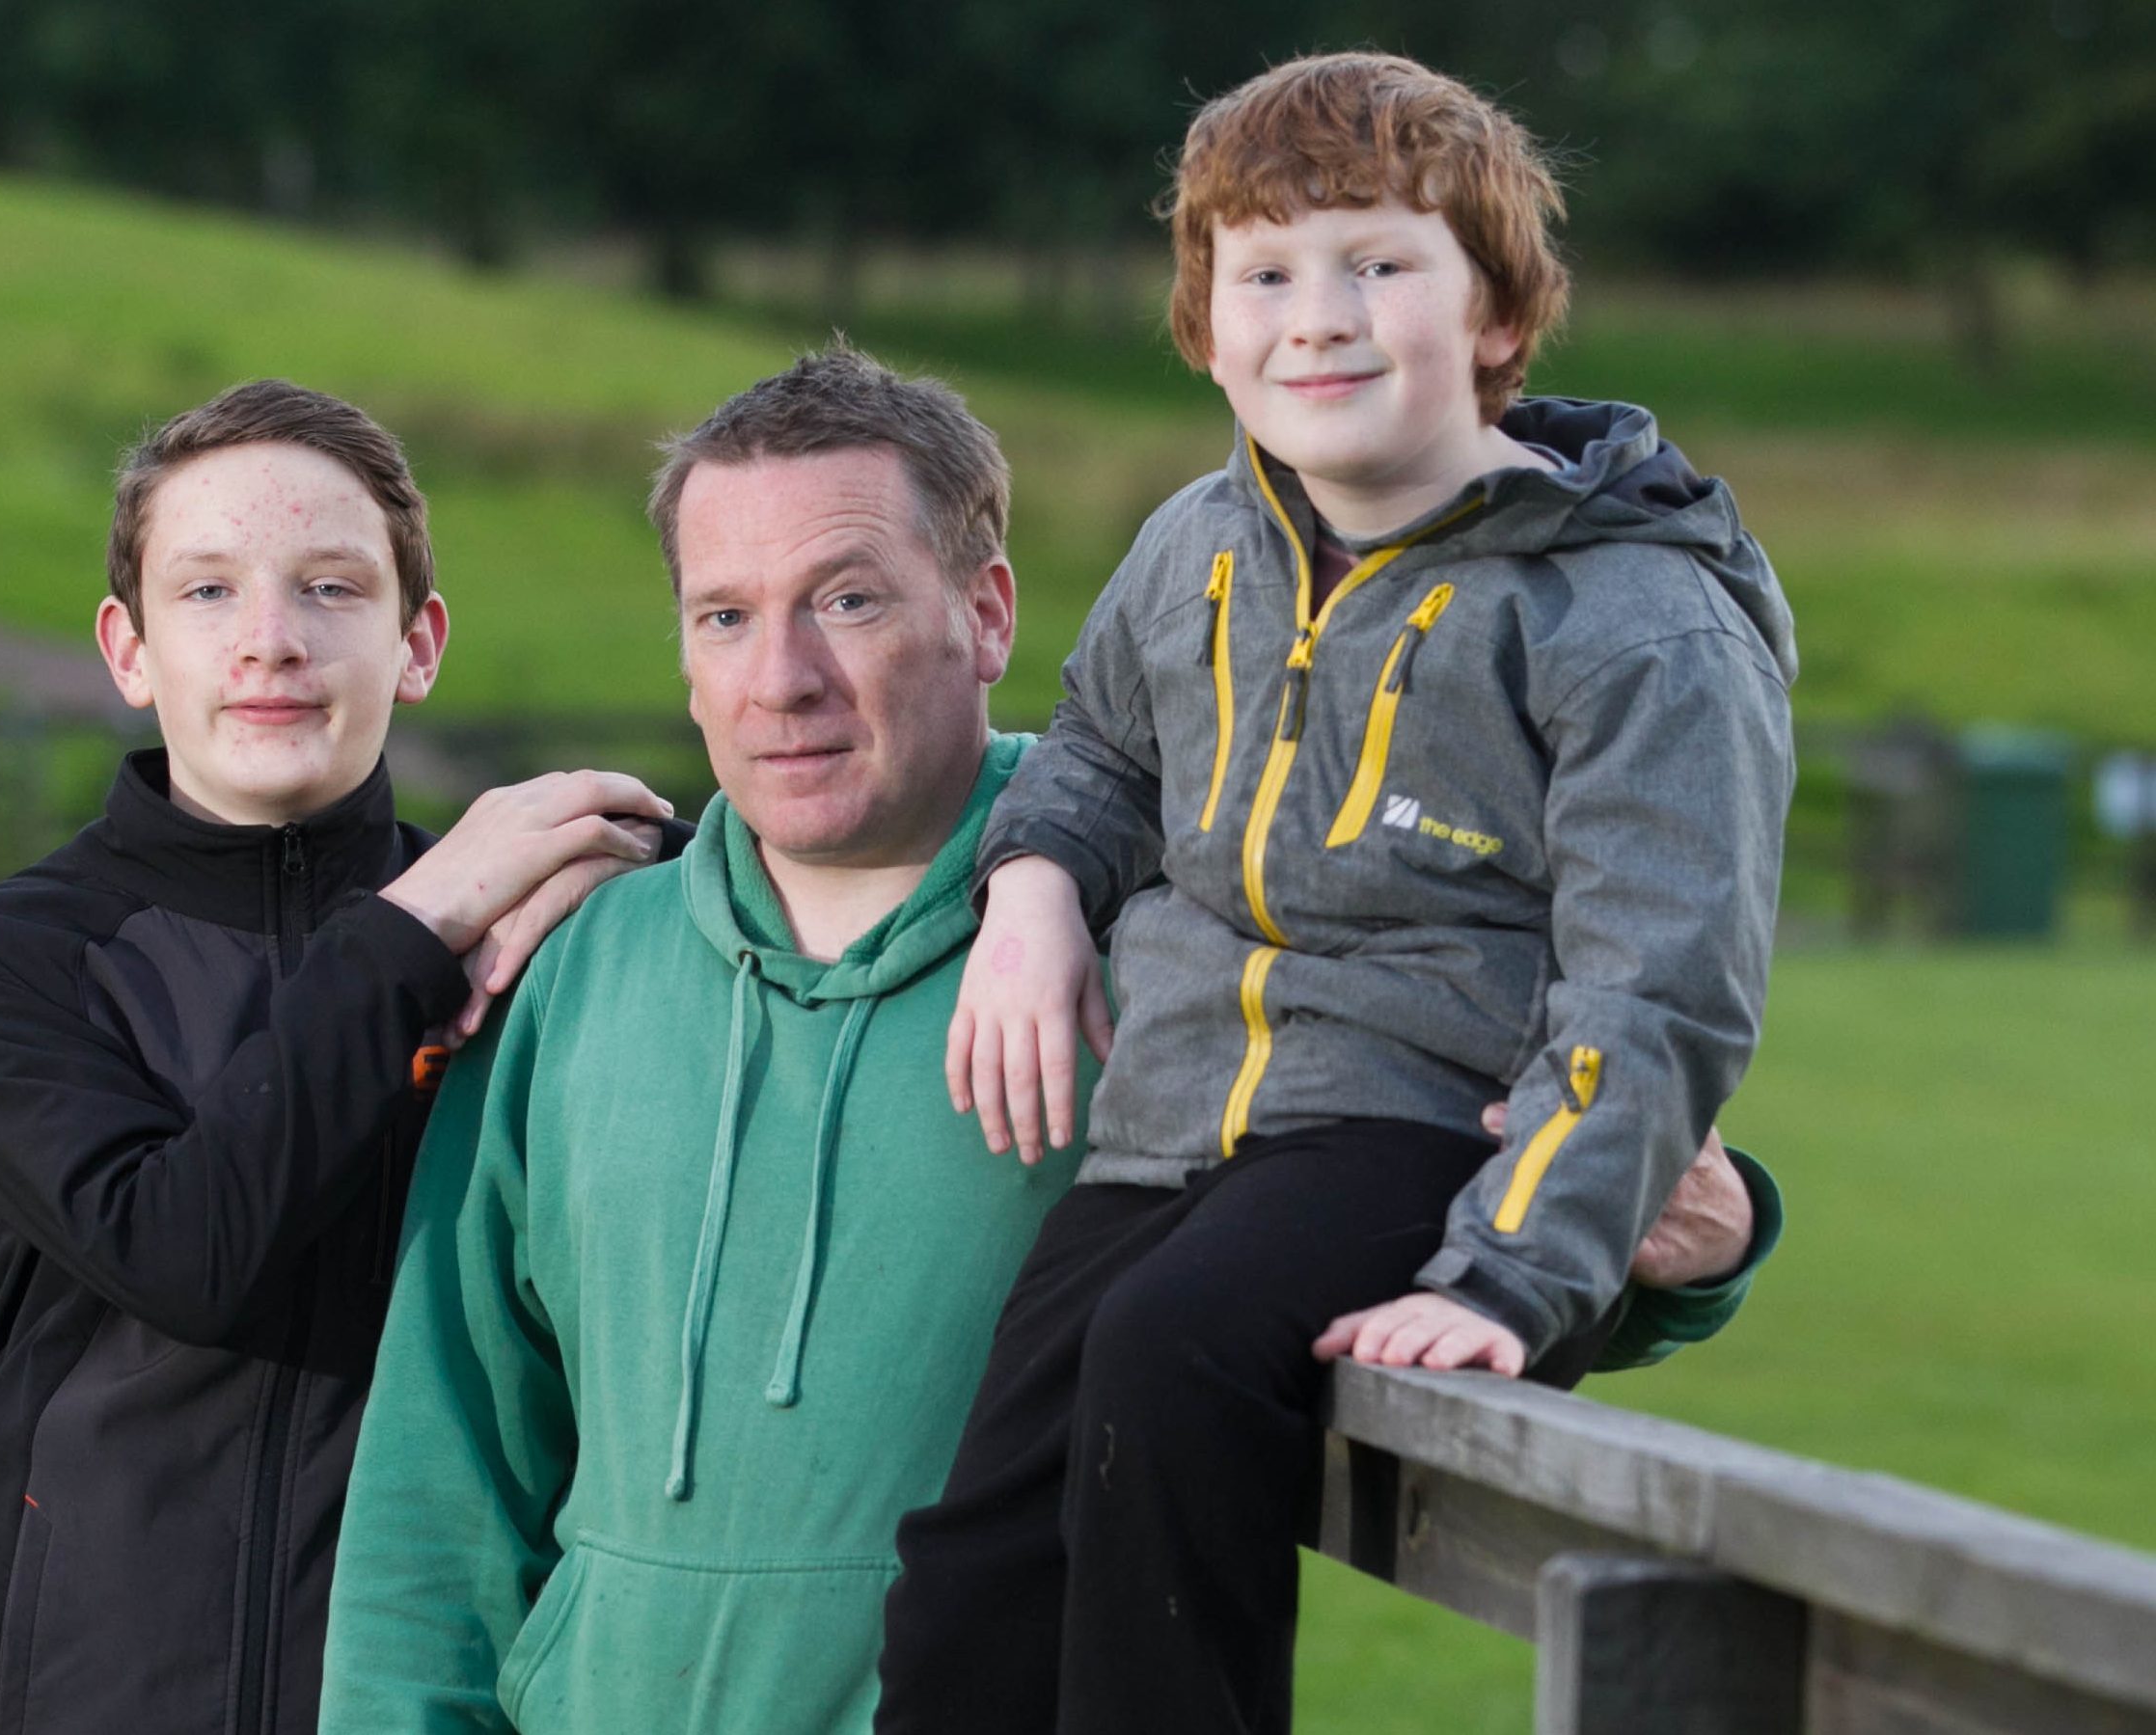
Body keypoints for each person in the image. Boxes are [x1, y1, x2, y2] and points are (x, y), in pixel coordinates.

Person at [319, 348, 1780, 1733]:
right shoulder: (572, 966)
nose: (782, 679)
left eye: (848, 601)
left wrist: (1695, 1250)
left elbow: (1391, 1177)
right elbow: (442, 1474)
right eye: (725, 615)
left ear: (992, 615)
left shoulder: (1189, 946)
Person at [879, 54, 1797, 1735]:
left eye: (1382, 263)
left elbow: (1654, 993)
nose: (1322, 316)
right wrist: (1030, 892)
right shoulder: (1194, 547)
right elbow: (1096, 748)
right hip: (1167, 1135)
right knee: (972, 1566)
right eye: (1267, 272)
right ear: (1207, 324)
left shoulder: (1634, 623)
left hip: (1424, 1131)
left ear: (1499, 313)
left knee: (1168, 1367)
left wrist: (1503, 1280)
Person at [0, 379, 677, 1735]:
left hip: (435, 1687)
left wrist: (653, 864)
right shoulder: (8, 958)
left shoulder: (539, 934)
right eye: (206, 593)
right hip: (71, 1687)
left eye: (330, 589)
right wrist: (416, 930)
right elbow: (184, 1252)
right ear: (128, 650)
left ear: (417, 642)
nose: (271, 642)